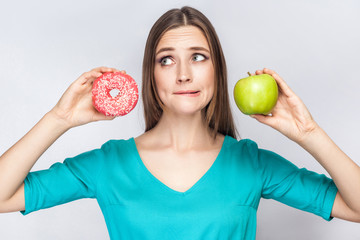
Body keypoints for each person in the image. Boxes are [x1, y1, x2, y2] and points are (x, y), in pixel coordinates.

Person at [0, 5, 359, 240]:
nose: (184, 75)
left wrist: (309, 134)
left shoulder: (252, 163)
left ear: (216, 70)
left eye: (198, 57)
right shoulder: (108, 164)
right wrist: (58, 119)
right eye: (167, 60)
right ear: (151, 75)